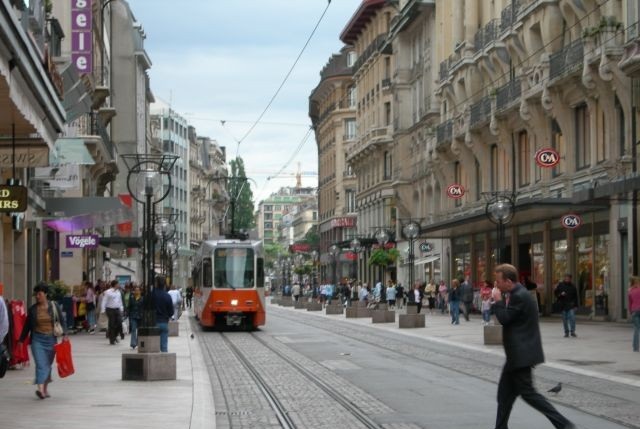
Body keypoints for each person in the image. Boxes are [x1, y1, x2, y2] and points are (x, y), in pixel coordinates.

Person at [492, 264, 574, 429]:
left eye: (498, 281)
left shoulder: (519, 296)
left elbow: (505, 319)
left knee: (529, 394)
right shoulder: (518, 293)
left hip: (521, 355)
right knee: (504, 396)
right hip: (516, 355)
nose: (496, 284)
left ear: (508, 281)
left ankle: (564, 425)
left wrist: (498, 301)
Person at [17, 283, 67, 399]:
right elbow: (27, 326)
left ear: (45, 294)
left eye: (39, 294)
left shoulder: (54, 306)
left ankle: (45, 388)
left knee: (47, 365)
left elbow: (62, 321)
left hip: (51, 339)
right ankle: (40, 388)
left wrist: (65, 334)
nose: (37, 296)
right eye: (36, 294)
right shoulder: (33, 309)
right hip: (37, 339)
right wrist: (21, 340)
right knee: (41, 364)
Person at [152, 277, 174, 352]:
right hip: (164, 322)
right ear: (164, 285)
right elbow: (171, 312)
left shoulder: (152, 295)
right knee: (164, 346)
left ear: (156, 284)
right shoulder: (167, 296)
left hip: (153, 322)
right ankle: (164, 359)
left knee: (153, 346)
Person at [100, 280, 124, 345]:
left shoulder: (118, 292)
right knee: (112, 324)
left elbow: (120, 301)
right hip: (110, 309)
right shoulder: (108, 292)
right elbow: (104, 301)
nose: (119, 285)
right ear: (115, 284)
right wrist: (103, 310)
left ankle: (115, 335)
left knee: (119, 323)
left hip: (117, 309)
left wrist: (121, 309)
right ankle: (112, 339)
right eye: (118, 284)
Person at [127, 285, 144, 350]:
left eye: (138, 290)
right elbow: (129, 307)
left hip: (140, 316)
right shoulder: (131, 298)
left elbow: (144, 307)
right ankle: (133, 343)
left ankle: (138, 342)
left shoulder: (142, 298)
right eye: (135, 290)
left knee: (139, 330)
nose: (137, 291)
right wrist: (128, 314)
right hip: (133, 316)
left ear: (140, 291)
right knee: (133, 329)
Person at [629, 276, 640, 352]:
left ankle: (635, 347)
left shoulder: (630, 291)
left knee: (636, 329)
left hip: (634, 310)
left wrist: (631, 312)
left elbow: (630, 303)